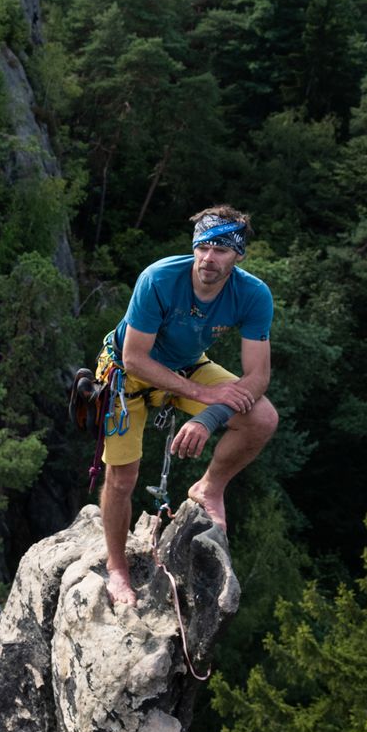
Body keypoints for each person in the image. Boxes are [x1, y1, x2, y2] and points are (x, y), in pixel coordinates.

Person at [95, 205, 278, 607]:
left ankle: (209, 488)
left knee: (261, 417)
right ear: (193, 247)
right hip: (130, 376)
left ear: (238, 256)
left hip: (186, 366)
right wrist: (206, 396)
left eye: (221, 250)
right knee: (122, 478)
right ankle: (116, 567)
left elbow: (258, 377)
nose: (209, 259)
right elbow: (135, 358)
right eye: (203, 247)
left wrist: (210, 418)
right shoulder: (159, 279)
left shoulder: (252, 294)